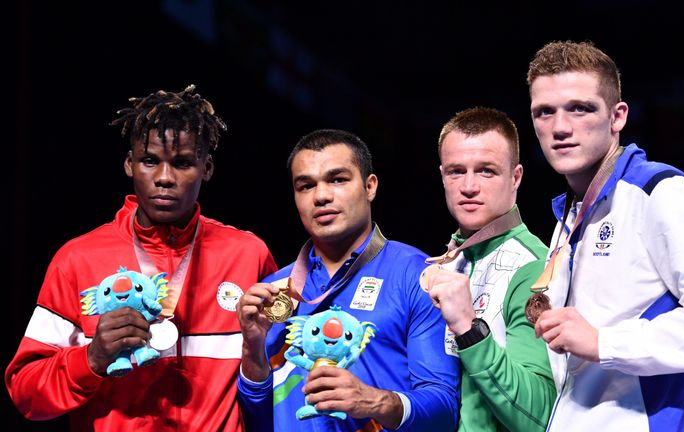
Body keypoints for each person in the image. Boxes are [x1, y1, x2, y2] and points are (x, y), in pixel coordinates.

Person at [5, 85, 278, 431]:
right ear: (130, 164)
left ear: (206, 168)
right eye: (150, 161)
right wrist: (93, 358)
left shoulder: (248, 254)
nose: (164, 178)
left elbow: (282, 380)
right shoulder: (77, 259)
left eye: (182, 163)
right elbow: (26, 392)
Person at [526, 40, 684, 430]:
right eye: (544, 112)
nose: (560, 127)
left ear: (617, 116)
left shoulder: (660, 192)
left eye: (580, 108)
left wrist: (605, 343)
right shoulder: (569, 216)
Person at [236, 129, 460, 431]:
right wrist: (252, 349)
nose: (321, 196)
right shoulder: (275, 290)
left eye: (338, 179)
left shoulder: (418, 275)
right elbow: (257, 419)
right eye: (305, 186)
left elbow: (445, 409)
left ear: (370, 186)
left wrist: (374, 402)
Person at [420, 107, 556, 431]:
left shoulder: (534, 267)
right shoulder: (446, 263)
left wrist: (469, 328)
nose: (468, 186)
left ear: (516, 177)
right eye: (456, 171)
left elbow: (539, 416)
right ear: (442, 177)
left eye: (486, 171)